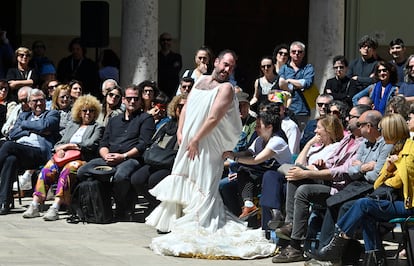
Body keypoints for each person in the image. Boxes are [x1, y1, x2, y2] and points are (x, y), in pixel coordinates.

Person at [146, 50, 275, 259]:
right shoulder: (201, 80)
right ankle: (174, 221)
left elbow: (214, 117)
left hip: (208, 144)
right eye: (225, 64)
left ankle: (197, 223)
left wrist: (196, 138)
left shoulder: (227, 89)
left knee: (204, 183)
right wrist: (181, 131)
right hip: (190, 141)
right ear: (216, 62)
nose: (226, 70)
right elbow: (186, 106)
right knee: (183, 177)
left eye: (231, 67)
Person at [271, 105, 370, 263]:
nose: (346, 119)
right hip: (330, 181)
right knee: (290, 176)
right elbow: (333, 163)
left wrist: (309, 172)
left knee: (299, 183)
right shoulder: (347, 139)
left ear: (363, 122)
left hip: (343, 189)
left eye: (351, 116)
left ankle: (295, 242)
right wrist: (321, 164)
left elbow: (347, 171)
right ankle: (292, 234)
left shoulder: (363, 144)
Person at [317, 113, 412, 265]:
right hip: (396, 200)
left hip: (409, 204)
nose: (380, 132)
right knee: (366, 213)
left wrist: (394, 168)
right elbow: (378, 183)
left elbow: (396, 181)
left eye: (382, 129)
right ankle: (374, 259)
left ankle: (339, 240)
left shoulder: (410, 150)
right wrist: (388, 169)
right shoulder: (395, 150)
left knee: (363, 204)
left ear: (392, 130)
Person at [77, 85, 155, 220]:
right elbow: (103, 143)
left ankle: (122, 207)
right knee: (83, 171)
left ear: (140, 101)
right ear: (124, 100)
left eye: (136, 99)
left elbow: (143, 145)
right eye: (129, 98)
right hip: (109, 157)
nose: (132, 102)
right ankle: (99, 204)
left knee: (121, 176)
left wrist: (123, 156)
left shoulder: (145, 119)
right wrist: (106, 155)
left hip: (130, 158)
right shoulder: (114, 120)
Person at [22, 94, 104, 221]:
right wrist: (63, 148)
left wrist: (70, 146)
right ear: (79, 112)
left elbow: (90, 144)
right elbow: (59, 144)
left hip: (81, 159)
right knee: (47, 170)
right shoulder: (73, 126)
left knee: (67, 171)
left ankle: (55, 206)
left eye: (91, 111)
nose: (88, 113)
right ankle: (35, 204)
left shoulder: (97, 127)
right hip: (64, 156)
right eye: (84, 110)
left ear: (95, 113)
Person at [274, 115, 344, 249]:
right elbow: (298, 163)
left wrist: (308, 168)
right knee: (293, 174)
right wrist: (308, 144)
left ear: (328, 130)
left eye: (318, 128)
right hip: (306, 176)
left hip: (324, 181)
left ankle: (289, 223)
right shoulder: (316, 148)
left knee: (293, 175)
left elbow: (315, 168)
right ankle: (289, 224)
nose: (315, 131)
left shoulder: (336, 147)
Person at [0, 88, 60, 215]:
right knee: (11, 159)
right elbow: (12, 133)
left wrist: (24, 126)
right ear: (29, 103)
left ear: (45, 101)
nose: (38, 103)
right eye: (35, 101)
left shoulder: (52, 114)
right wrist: (32, 129)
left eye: (41, 100)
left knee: (8, 145)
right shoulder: (24, 115)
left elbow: (45, 125)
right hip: (22, 152)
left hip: (39, 152)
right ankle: (4, 202)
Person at [131, 94, 187, 216]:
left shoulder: (191, 127)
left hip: (173, 163)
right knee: (137, 179)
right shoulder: (166, 124)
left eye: (186, 106)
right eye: (180, 106)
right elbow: (153, 141)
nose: (182, 109)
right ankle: (156, 205)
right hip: (156, 159)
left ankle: (163, 211)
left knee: (154, 180)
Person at [279, 41, 315, 131]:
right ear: (290, 53)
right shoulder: (284, 68)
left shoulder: (308, 68)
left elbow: (307, 83)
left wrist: (289, 81)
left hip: (302, 110)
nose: (296, 54)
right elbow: (281, 84)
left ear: (304, 54)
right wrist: (298, 84)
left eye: (300, 52)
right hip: (286, 109)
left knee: (301, 138)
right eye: (294, 52)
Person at [157, 33, 182, 99]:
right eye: (163, 40)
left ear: (171, 42)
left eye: (168, 40)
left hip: (173, 89)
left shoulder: (177, 57)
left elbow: (175, 71)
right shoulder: (156, 57)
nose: (166, 42)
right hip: (159, 88)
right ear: (160, 42)